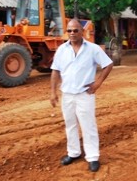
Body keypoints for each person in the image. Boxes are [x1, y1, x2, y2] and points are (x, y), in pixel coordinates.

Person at [50, 19, 113, 172]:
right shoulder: (61, 50)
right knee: (70, 125)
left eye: (75, 30)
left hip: (85, 94)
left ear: (82, 32)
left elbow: (108, 64)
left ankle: (92, 157)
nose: (72, 33)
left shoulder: (93, 49)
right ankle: (73, 153)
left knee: (88, 125)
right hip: (67, 95)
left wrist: (97, 83)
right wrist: (53, 92)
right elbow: (55, 71)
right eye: (69, 30)